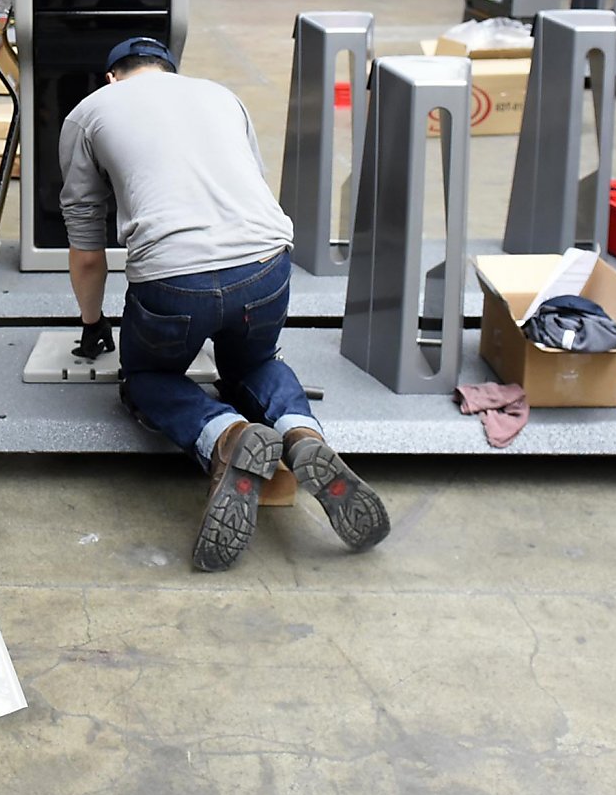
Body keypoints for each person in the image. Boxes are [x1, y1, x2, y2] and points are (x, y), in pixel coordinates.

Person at [58, 37, 391, 573]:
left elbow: (88, 250)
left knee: (146, 378)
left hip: (173, 279)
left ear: (112, 77)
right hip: (266, 265)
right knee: (255, 363)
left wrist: (94, 325)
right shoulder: (219, 95)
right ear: (171, 72)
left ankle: (228, 436)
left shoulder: (89, 112)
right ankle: (301, 435)